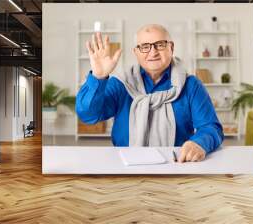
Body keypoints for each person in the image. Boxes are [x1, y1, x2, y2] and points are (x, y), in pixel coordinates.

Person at [76, 24, 224, 163]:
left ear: (171, 47)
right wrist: (98, 77)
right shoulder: (121, 84)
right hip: (125, 167)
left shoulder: (191, 85)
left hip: (176, 165)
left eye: (160, 44)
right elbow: (88, 115)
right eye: (145, 46)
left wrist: (199, 144)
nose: (153, 52)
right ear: (136, 52)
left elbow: (211, 127)